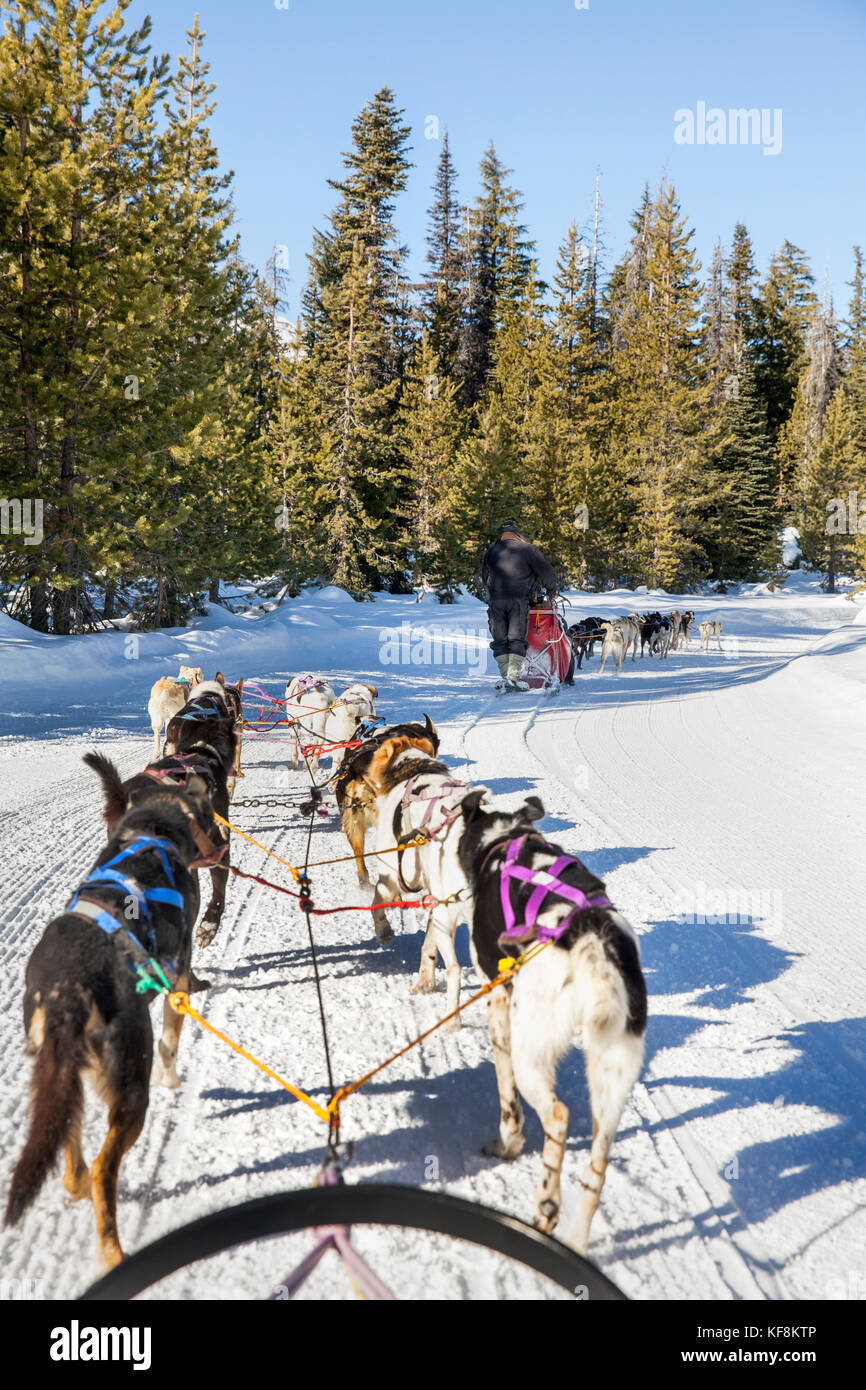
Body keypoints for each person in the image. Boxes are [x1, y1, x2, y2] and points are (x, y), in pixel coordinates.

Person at [481, 520, 559, 689]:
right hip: (518, 600)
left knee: (500, 639)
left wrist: (492, 593)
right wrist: (552, 590)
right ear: (517, 534)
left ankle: (506, 677)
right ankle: (512, 678)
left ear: (501, 535)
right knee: (516, 638)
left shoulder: (491, 551)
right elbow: (546, 571)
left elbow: (484, 576)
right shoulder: (528, 550)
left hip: (496, 601)